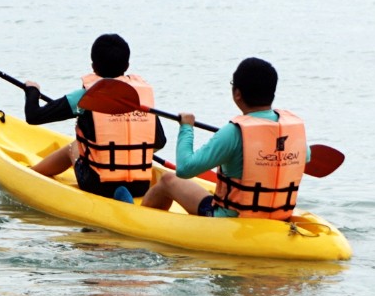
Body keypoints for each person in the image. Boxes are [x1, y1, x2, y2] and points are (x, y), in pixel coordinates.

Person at [141, 57, 305, 219]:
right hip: (279, 215)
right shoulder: (291, 130)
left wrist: (186, 127)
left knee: (168, 180)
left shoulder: (233, 132)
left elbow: (184, 169)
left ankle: (137, 221)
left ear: (237, 94)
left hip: (229, 220)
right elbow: (307, 157)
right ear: (272, 92)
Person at [23, 33, 167, 201]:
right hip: (140, 185)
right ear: (127, 65)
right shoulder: (141, 97)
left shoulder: (86, 97)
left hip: (98, 184)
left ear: (94, 67)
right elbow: (159, 142)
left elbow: (34, 116)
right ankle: (122, 188)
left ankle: (32, 175)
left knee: (74, 147)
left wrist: (32, 91)